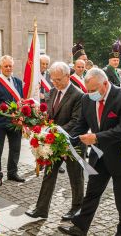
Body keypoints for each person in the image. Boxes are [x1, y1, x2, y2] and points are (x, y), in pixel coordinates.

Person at [58, 68, 121, 236]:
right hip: (99, 156)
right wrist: (68, 142)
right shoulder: (87, 99)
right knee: (92, 192)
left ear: (105, 84)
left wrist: (96, 137)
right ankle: (80, 227)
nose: (89, 94)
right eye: (87, 90)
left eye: (93, 90)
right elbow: (81, 124)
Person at [25, 62, 85, 220]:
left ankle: (77, 209)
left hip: (72, 142)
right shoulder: (51, 92)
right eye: (53, 79)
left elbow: (76, 121)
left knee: (75, 177)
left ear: (67, 76)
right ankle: (41, 209)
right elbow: (49, 116)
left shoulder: (78, 95)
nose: (55, 83)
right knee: (49, 175)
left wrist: (54, 131)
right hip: (52, 143)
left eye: (58, 79)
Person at [0, 55, 24, 187]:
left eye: (10, 66)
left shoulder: (18, 82)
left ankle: (12, 172)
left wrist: (22, 119)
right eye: (5, 66)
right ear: (0, 67)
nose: (8, 68)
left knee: (15, 148)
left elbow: (21, 103)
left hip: (15, 123)